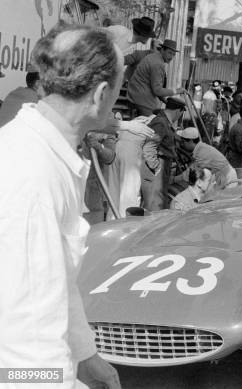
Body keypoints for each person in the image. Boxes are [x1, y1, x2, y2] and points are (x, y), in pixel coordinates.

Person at [0, 23, 122, 389]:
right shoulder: (32, 176)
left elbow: (56, 282)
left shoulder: (42, 152)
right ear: (101, 95)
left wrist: (86, 356)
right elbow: (28, 346)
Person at [141, 96, 186, 210]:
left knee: (158, 204)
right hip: (156, 169)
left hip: (161, 167)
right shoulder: (161, 122)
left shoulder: (164, 122)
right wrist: (157, 168)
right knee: (154, 207)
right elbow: (148, 148)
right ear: (178, 111)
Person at [127, 39, 186, 115]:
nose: (171, 57)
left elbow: (155, 87)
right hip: (141, 98)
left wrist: (165, 101)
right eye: (169, 53)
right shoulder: (158, 64)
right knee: (155, 122)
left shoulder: (154, 57)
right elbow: (157, 90)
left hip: (136, 93)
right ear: (162, 50)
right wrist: (177, 91)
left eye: (173, 54)